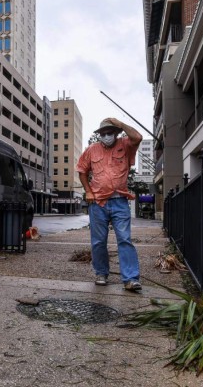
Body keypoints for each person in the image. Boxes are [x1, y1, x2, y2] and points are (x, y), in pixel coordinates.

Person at [76, 117, 143, 291]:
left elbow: (138, 137)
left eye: (110, 133)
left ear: (116, 133)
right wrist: (88, 191)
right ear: (99, 135)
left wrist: (120, 124)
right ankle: (101, 273)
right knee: (98, 241)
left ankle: (130, 279)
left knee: (125, 239)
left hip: (120, 201)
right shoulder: (92, 150)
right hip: (98, 202)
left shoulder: (125, 144)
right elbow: (82, 170)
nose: (106, 136)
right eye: (103, 133)